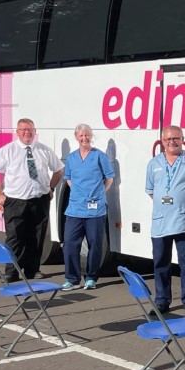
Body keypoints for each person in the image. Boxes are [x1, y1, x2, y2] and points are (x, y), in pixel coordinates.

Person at [0, 118, 62, 280]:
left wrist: (51, 188)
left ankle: (32, 269)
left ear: (35, 132)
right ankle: (12, 271)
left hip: (39, 199)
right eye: (23, 130)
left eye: (30, 130)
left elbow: (59, 170)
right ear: (17, 132)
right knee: (15, 237)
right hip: (15, 201)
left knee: (37, 236)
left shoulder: (44, 150)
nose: (27, 132)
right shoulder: (7, 151)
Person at [145, 125, 185, 313]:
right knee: (161, 263)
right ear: (162, 141)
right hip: (161, 222)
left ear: (182, 139)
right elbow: (151, 191)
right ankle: (162, 300)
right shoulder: (153, 163)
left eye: (176, 138)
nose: (172, 142)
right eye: (168, 139)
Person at [60, 124, 115, 290]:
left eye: (87, 135)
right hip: (75, 208)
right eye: (81, 136)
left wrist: (99, 193)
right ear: (76, 137)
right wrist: (77, 191)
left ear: (91, 136)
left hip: (95, 209)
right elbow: (68, 178)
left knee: (95, 244)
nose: (84, 138)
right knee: (70, 243)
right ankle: (72, 278)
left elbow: (109, 178)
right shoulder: (71, 158)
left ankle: (91, 277)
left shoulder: (100, 156)